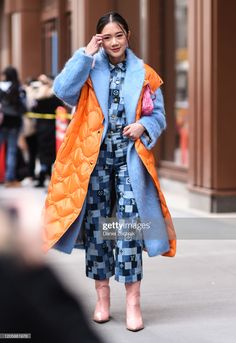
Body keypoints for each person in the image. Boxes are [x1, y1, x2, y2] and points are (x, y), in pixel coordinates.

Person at [42, 12, 177, 332]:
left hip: (129, 162)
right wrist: (85, 54)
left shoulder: (144, 73)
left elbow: (158, 115)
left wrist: (143, 125)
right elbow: (62, 91)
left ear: (128, 35)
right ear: (99, 38)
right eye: (108, 37)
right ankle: (102, 298)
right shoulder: (89, 69)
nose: (114, 42)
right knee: (100, 230)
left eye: (119, 35)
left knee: (129, 228)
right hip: (94, 162)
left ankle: (133, 303)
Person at [31, 74, 63, 188]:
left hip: (41, 128)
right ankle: (48, 175)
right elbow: (61, 107)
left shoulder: (38, 97)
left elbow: (33, 109)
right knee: (50, 152)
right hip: (51, 127)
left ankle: (43, 175)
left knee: (43, 152)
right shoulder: (53, 96)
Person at [0, 66, 26, 187]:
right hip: (15, 123)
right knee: (11, 151)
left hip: (2, 123)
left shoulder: (1, 87)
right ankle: (9, 179)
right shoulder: (19, 88)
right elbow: (24, 106)